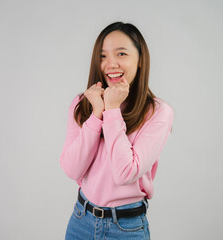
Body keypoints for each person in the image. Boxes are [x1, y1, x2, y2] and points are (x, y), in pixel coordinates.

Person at [60, 22, 174, 240]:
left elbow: (125, 173)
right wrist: (96, 114)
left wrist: (112, 111)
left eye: (121, 53)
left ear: (140, 60)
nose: (110, 64)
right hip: (81, 220)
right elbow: (72, 169)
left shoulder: (159, 113)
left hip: (126, 229)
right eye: (102, 56)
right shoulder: (83, 103)